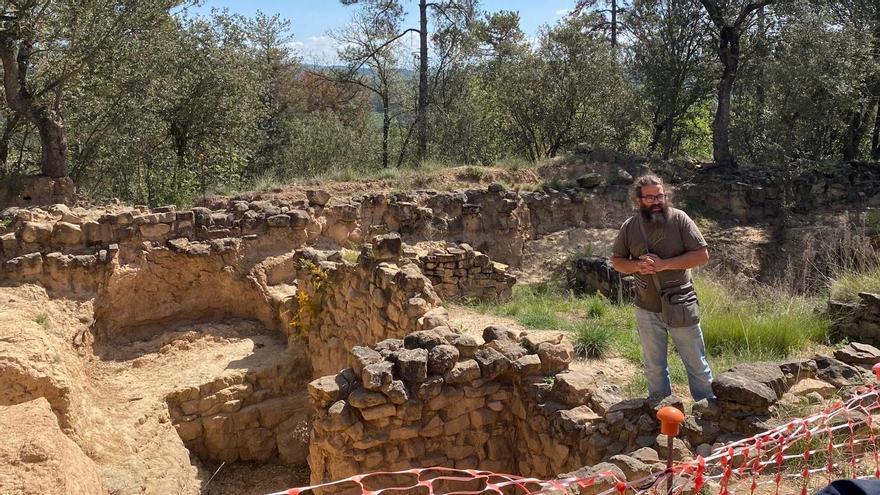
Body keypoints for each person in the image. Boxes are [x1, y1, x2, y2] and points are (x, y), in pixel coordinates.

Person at [610, 174, 715, 402]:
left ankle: (709, 412)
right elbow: (617, 261)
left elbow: (701, 255)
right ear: (638, 200)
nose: (657, 201)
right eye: (650, 197)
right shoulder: (630, 227)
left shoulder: (679, 219)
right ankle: (660, 410)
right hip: (646, 307)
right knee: (654, 367)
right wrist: (637, 266)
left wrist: (664, 264)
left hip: (680, 304)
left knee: (697, 365)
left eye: (660, 196)